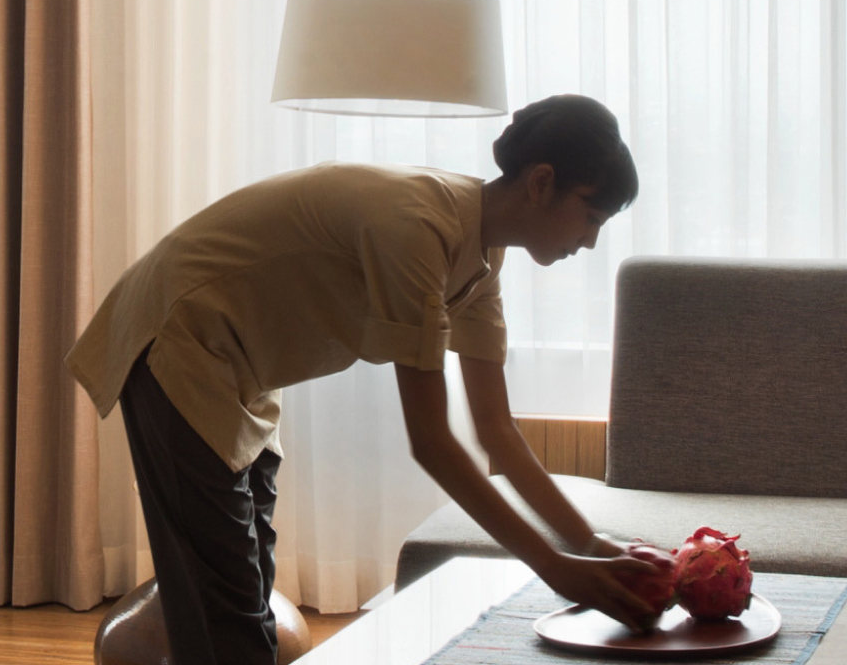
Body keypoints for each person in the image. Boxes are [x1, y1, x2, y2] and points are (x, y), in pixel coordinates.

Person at [65, 93, 657, 665]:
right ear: (540, 182)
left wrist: (589, 545)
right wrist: (553, 567)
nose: (590, 239)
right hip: (181, 340)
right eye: (591, 214)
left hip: (244, 370)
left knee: (247, 592)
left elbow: (497, 430)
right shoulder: (417, 227)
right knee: (226, 614)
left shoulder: (479, 260)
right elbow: (432, 442)